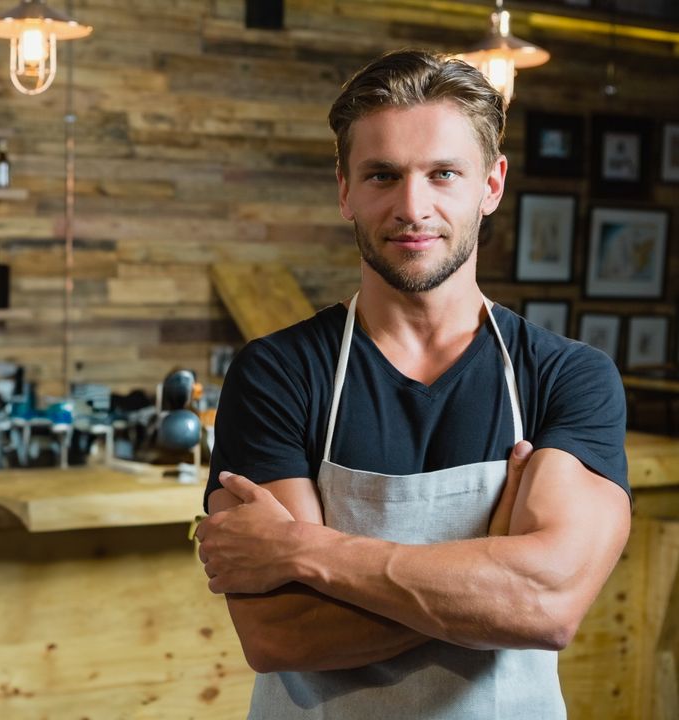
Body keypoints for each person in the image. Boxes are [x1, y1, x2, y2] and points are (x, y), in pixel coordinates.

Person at [195, 49, 631, 719]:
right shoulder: (277, 374)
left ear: (491, 185)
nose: (411, 205)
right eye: (382, 175)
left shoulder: (567, 377)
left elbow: (548, 607)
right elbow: (281, 633)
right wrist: (494, 571)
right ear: (345, 189)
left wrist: (304, 551)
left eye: (443, 174)